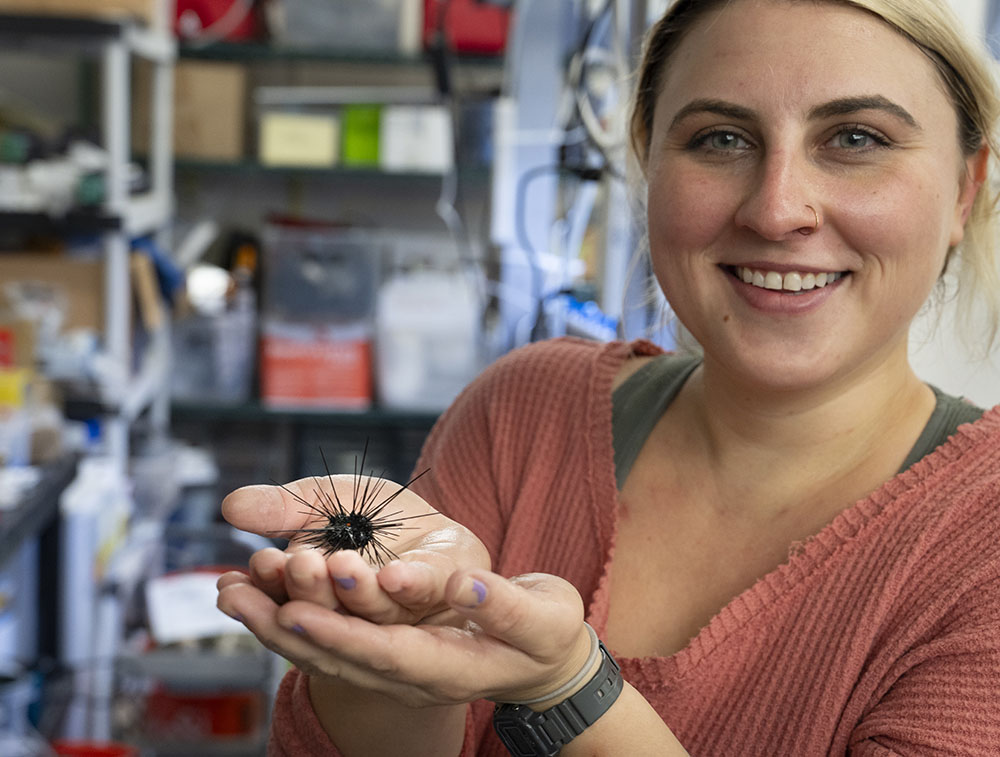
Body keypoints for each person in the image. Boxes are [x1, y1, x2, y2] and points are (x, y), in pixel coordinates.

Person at [216, 0, 1000, 754]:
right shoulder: (522, 413)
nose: (777, 208)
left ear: (965, 188)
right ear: (648, 162)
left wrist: (567, 689)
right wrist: (388, 662)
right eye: (722, 139)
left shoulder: (982, 542)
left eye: (856, 138)